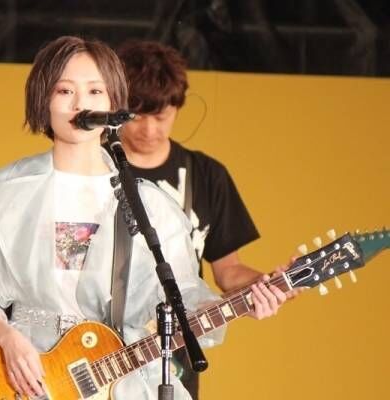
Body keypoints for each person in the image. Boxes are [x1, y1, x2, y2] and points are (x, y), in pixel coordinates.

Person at [0, 36, 284, 400]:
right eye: (65, 91)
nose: (81, 104)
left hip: (118, 382)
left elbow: (182, 300)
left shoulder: (150, 206)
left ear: (113, 103)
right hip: (27, 382)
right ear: (43, 98)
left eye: (95, 91)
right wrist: (8, 338)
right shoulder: (8, 191)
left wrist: (243, 304)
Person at [116, 40, 289, 399]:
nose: (149, 129)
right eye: (136, 115)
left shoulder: (206, 176)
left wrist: (267, 286)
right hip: (99, 353)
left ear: (178, 106)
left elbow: (228, 271)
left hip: (173, 361)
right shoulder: (93, 170)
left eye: (161, 116)